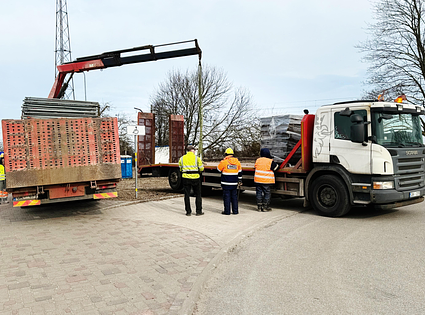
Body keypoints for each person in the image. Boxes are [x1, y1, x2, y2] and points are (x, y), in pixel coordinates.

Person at [179, 145, 204, 216]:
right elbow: (201, 169)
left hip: (186, 178)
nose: (195, 151)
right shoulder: (197, 158)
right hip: (196, 178)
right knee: (198, 195)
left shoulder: (182, 158)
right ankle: (198, 211)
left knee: (187, 195)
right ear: (192, 150)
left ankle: (188, 212)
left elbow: (180, 168)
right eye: (194, 150)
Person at [217, 148, 242, 215]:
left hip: (226, 182)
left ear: (225, 154)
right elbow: (240, 172)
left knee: (227, 197)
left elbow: (218, 169)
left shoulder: (224, 162)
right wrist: (240, 180)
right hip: (234, 182)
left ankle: (227, 211)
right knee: (234, 197)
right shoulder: (237, 162)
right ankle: (235, 211)